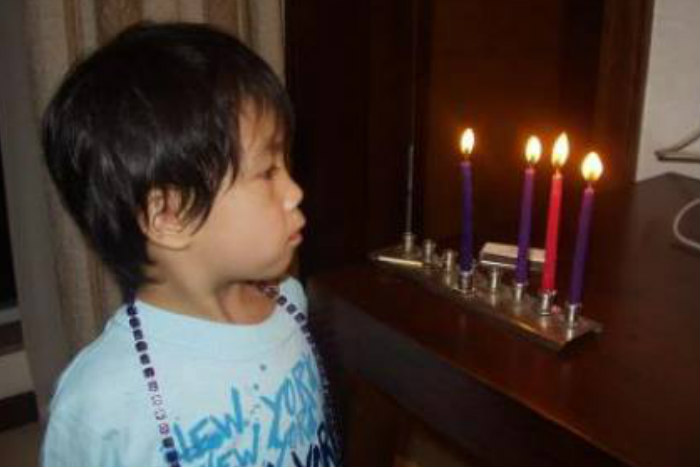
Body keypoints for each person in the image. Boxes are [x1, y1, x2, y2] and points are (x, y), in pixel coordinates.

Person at [40, 22, 339, 467]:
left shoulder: (291, 303)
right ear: (168, 216)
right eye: (267, 172)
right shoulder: (102, 403)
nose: (294, 190)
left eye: (285, 163)